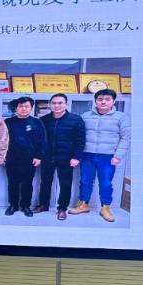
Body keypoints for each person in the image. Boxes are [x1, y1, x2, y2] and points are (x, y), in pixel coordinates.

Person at [69, 88, 130, 223]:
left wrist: (118, 156)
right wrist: (77, 155)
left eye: (107, 99)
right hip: (87, 155)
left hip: (108, 156)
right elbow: (78, 136)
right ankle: (83, 204)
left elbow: (126, 138)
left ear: (113, 101)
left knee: (106, 183)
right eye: (100, 99)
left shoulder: (121, 117)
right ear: (95, 101)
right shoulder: (85, 116)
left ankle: (105, 208)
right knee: (85, 181)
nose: (103, 102)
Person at [35, 93, 86, 221]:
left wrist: (76, 157)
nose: (56, 105)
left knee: (65, 183)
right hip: (47, 157)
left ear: (66, 104)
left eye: (60, 103)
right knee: (45, 182)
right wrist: (39, 155)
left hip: (66, 158)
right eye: (54, 103)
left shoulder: (76, 119)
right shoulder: (44, 120)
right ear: (49, 105)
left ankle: (62, 208)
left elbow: (80, 140)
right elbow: (39, 140)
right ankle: (43, 205)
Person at [4, 96, 46, 217]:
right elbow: (2, 140)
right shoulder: (8, 122)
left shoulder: (37, 122)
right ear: (16, 108)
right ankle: (13, 205)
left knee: (27, 183)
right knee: (12, 183)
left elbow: (42, 141)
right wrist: (3, 155)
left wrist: (38, 156)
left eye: (26, 106)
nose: (23, 109)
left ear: (31, 108)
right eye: (21, 106)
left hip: (30, 158)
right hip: (11, 158)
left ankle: (26, 206)